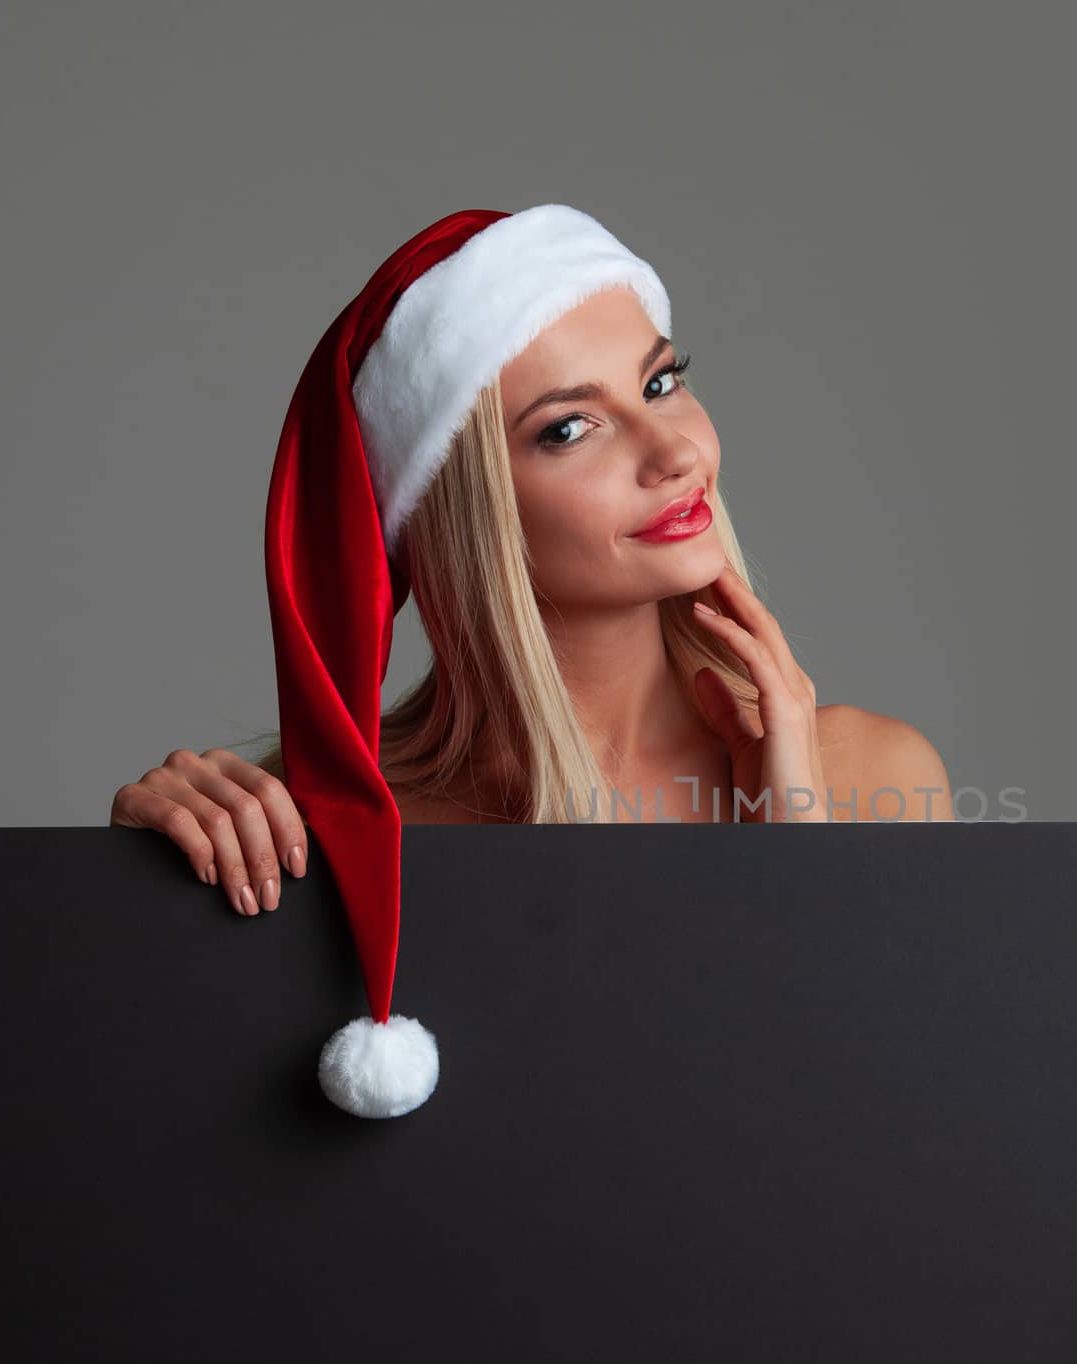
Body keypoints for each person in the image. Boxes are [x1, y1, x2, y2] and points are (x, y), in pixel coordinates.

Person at [105, 205, 954, 1117]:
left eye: (662, 384)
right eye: (569, 429)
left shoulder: (869, 776)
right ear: (458, 512)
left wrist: (794, 863)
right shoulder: (326, 837)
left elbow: (909, 1150)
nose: (674, 453)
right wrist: (130, 914)